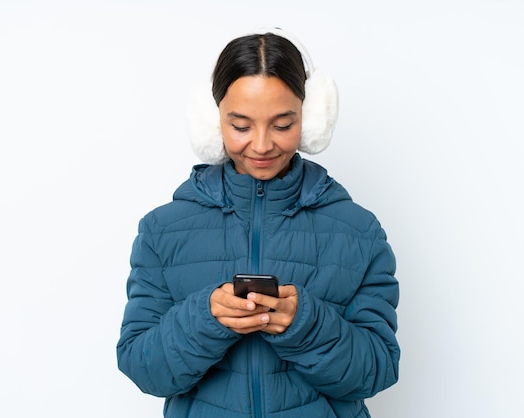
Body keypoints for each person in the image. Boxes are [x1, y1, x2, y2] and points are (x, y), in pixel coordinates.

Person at [116, 28, 400, 418]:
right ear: (212, 121)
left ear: (312, 118)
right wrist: (207, 318)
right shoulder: (161, 231)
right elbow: (143, 369)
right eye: (241, 126)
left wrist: (305, 326)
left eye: (283, 125)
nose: (263, 145)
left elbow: (377, 371)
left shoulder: (358, 231)